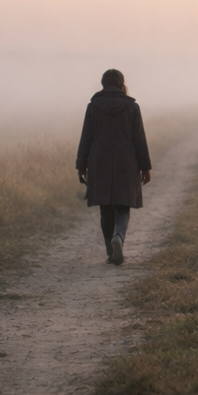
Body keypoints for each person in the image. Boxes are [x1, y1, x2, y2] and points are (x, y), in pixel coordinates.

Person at [75, 69, 152, 265]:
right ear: (121, 84)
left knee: (106, 209)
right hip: (126, 162)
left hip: (99, 162)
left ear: (103, 84)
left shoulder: (93, 107)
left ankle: (111, 252)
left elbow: (86, 137)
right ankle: (118, 236)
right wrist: (145, 167)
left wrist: (81, 165)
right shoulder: (132, 107)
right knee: (123, 207)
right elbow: (139, 139)